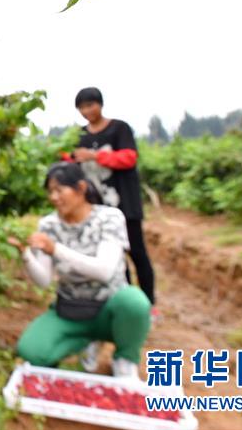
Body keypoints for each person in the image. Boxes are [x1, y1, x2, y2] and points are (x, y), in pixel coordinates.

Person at [16, 163, 151, 380]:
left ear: (80, 188)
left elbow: (104, 271)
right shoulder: (49, 225)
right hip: (72, 311)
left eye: (59, 190)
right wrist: (26, 254)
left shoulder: (109, 218)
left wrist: (56, 249)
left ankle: (125, 360)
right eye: (50, 191)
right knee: (32, 352)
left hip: (110, 307)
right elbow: (43, 281)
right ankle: (86, 340)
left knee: (135, 303)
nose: (54, 197)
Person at [69, 87, 156, 310]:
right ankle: (128, 303)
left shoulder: (119, 129)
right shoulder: (79, 136)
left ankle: (149, 304)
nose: (87, 111)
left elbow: (129, 158)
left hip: (125, 203)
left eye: (90, 105)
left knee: (137, 253)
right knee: (114, 257)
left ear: (100, 104)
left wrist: (95, 155)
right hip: (98, 209)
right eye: (82, 107)